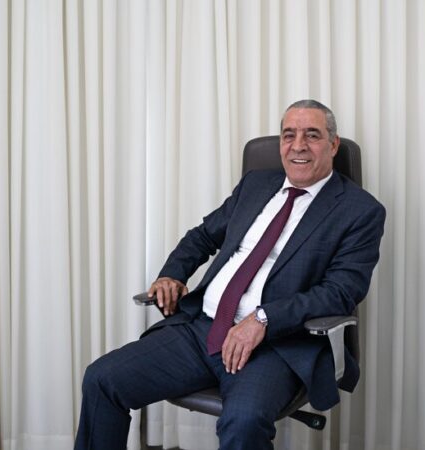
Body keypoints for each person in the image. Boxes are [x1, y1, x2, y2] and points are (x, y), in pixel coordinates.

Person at [75, 100, 386, 450]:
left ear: (333, 144)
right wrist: (172, 275)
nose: (298, 145)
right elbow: (203, 236)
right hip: (202, 330)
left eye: (312, 135)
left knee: (244, 422)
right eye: (289, 135)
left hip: (276, 345)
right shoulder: (256, 185)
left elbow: (340, 292)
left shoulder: (359, 211)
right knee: (102, 379)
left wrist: (264, 319)